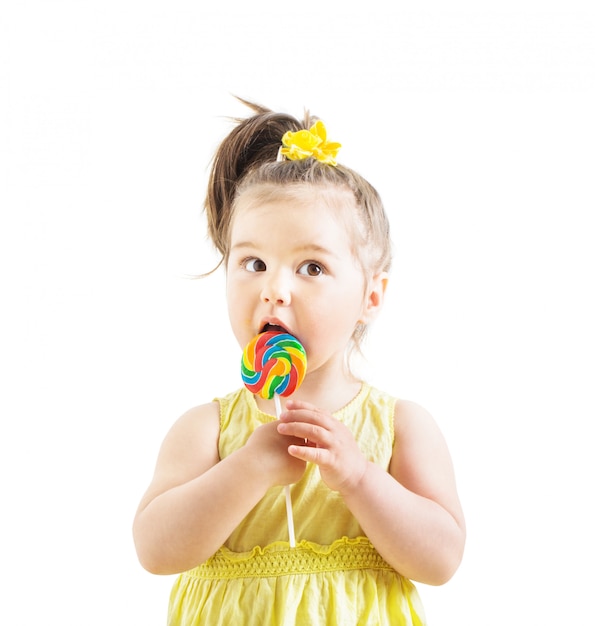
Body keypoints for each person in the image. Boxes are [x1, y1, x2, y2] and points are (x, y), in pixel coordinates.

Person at [133, 99, 466, 625]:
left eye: (311, 266)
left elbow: (442, 558)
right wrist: (250, 466)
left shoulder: (400, 427)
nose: (274, 290)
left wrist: (357, 476)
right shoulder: (208, 431)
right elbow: (155, 549)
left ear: (370, 296)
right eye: (253, 262)